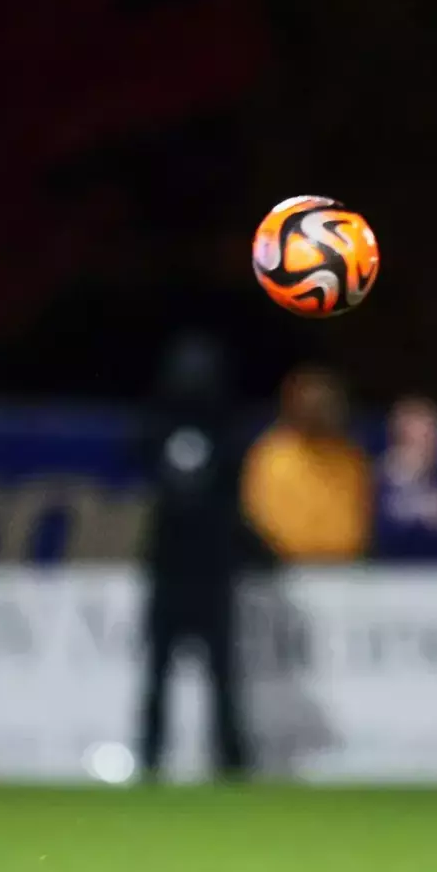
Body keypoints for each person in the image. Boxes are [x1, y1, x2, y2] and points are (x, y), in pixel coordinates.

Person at [135, 333, 267, 781]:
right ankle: (149, 758)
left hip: (212, 572)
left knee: (223, 675)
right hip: (168, 571)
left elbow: (236, 490)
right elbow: (136, 452)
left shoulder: (228, 429)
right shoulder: (158, 425)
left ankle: (231, 761)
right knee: (157, 673)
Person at [242, 365, 372, 563]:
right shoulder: (271, 455)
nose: (322, 412)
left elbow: (362, 517)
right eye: (314, 405)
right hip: (285, 568)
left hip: (345, 566)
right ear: (294, 406)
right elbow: (259, 519)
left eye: (329, 405)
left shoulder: (351, 456)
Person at [373, 396, 437, 561]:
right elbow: (383, 530)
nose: (423, 448)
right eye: (410, 440)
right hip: (393, 571)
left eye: (431, 436)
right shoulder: (374, 481)